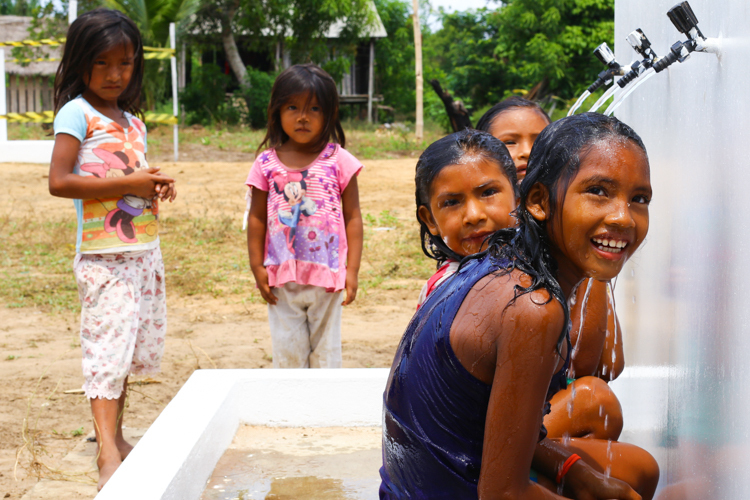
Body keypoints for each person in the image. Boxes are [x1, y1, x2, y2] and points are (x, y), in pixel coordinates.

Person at [381, 117, 659, 499]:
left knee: (634, 472)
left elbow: (484, 426)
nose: (622, 217)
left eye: (639, 199)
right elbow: (504, 495)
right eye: (598, 191)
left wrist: (575, 472)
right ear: (539, 201)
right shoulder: (532, 308)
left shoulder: (496, 260)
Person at [48, 8, 176, 490]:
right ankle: (106, 453)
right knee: (106, 350)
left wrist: (153, 184)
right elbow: (59, 181)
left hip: (143, 251)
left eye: (125, 63)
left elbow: (127, 177)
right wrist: (130, 181)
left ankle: (117, 438)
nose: (115, 74)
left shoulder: (133, 121)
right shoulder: (76, 113)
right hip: (104, 259)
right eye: (103, 64)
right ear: (81, 63)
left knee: (125, 353)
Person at [477, 98, 624, 441]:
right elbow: (583, 367)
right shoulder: (485, 244)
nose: (526, 152)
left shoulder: (570, 237)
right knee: (593, 400)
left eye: (539, 139)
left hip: (538, 413)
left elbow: (608, 365)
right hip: (486, 432)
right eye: (509, 142)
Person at [246, 64, 363, 368]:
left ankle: (324, 414)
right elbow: (256, 217)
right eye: (292, 107)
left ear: (329, 113)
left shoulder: (339, 160)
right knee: (288, 354)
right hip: (281, 276)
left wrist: (352, 271)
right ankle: (290, 414)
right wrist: (257, 266)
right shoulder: (265, 164)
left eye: (314, 108)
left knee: (326, 355)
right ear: (276, 111)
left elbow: (353, 217)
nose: (302, 116)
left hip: (328, 274)